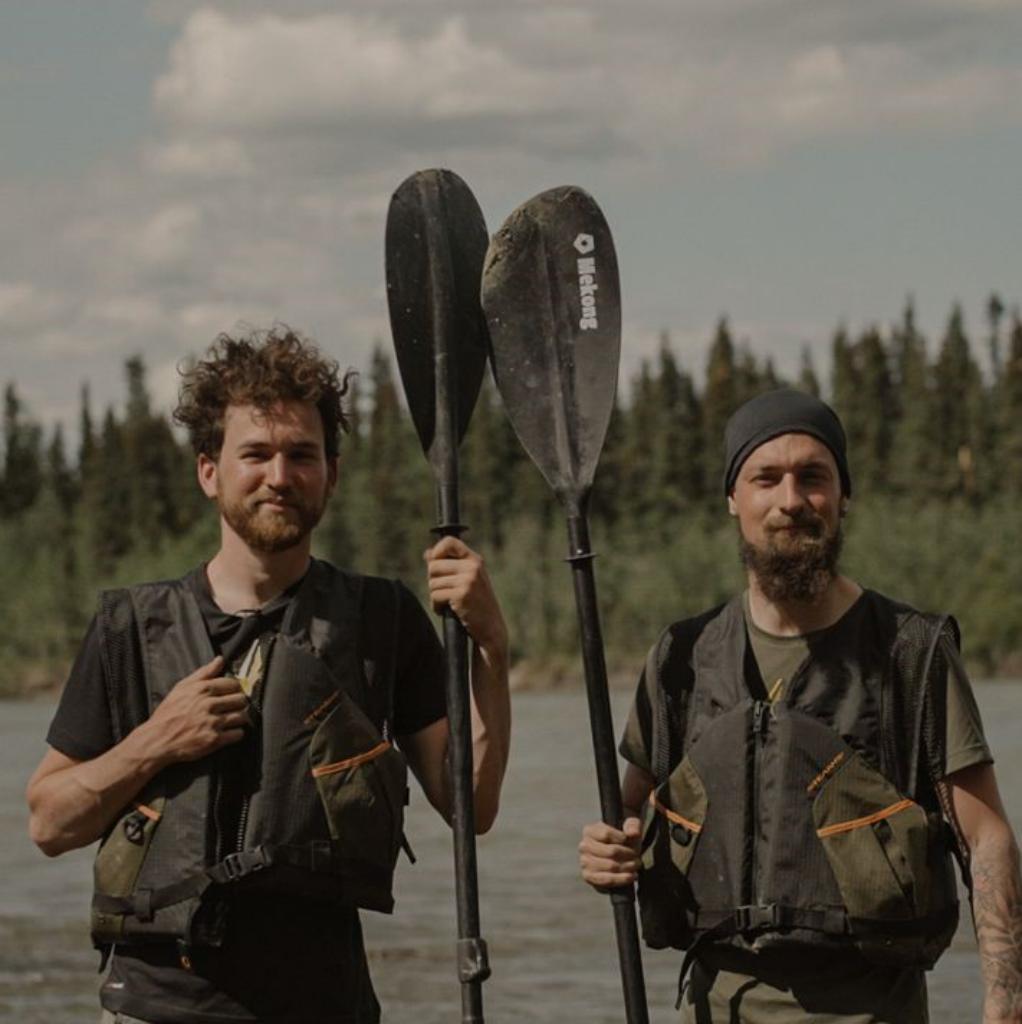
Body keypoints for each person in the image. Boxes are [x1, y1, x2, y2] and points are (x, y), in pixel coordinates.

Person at [26, 328, 511, 1024]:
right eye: (255, 454)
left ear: (331, 475)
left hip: (324, 1004)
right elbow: (48, 823)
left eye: (302, 456)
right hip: (157, 1008)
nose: (279, 476)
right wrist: (157, 740)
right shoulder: (130, 630)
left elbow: (472, 807)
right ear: (209, 472)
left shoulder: (382, 620)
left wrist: (491, 647)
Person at [579, 388, 1022, 1023]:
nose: (792, 500)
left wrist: (1006, 1005)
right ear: (735, 499)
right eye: (767, 478)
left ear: (843, 497)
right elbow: (628, 808)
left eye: (813, 477)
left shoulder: (909, 651)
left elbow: (986, 839)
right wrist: (607, 850)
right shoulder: (682, 657)